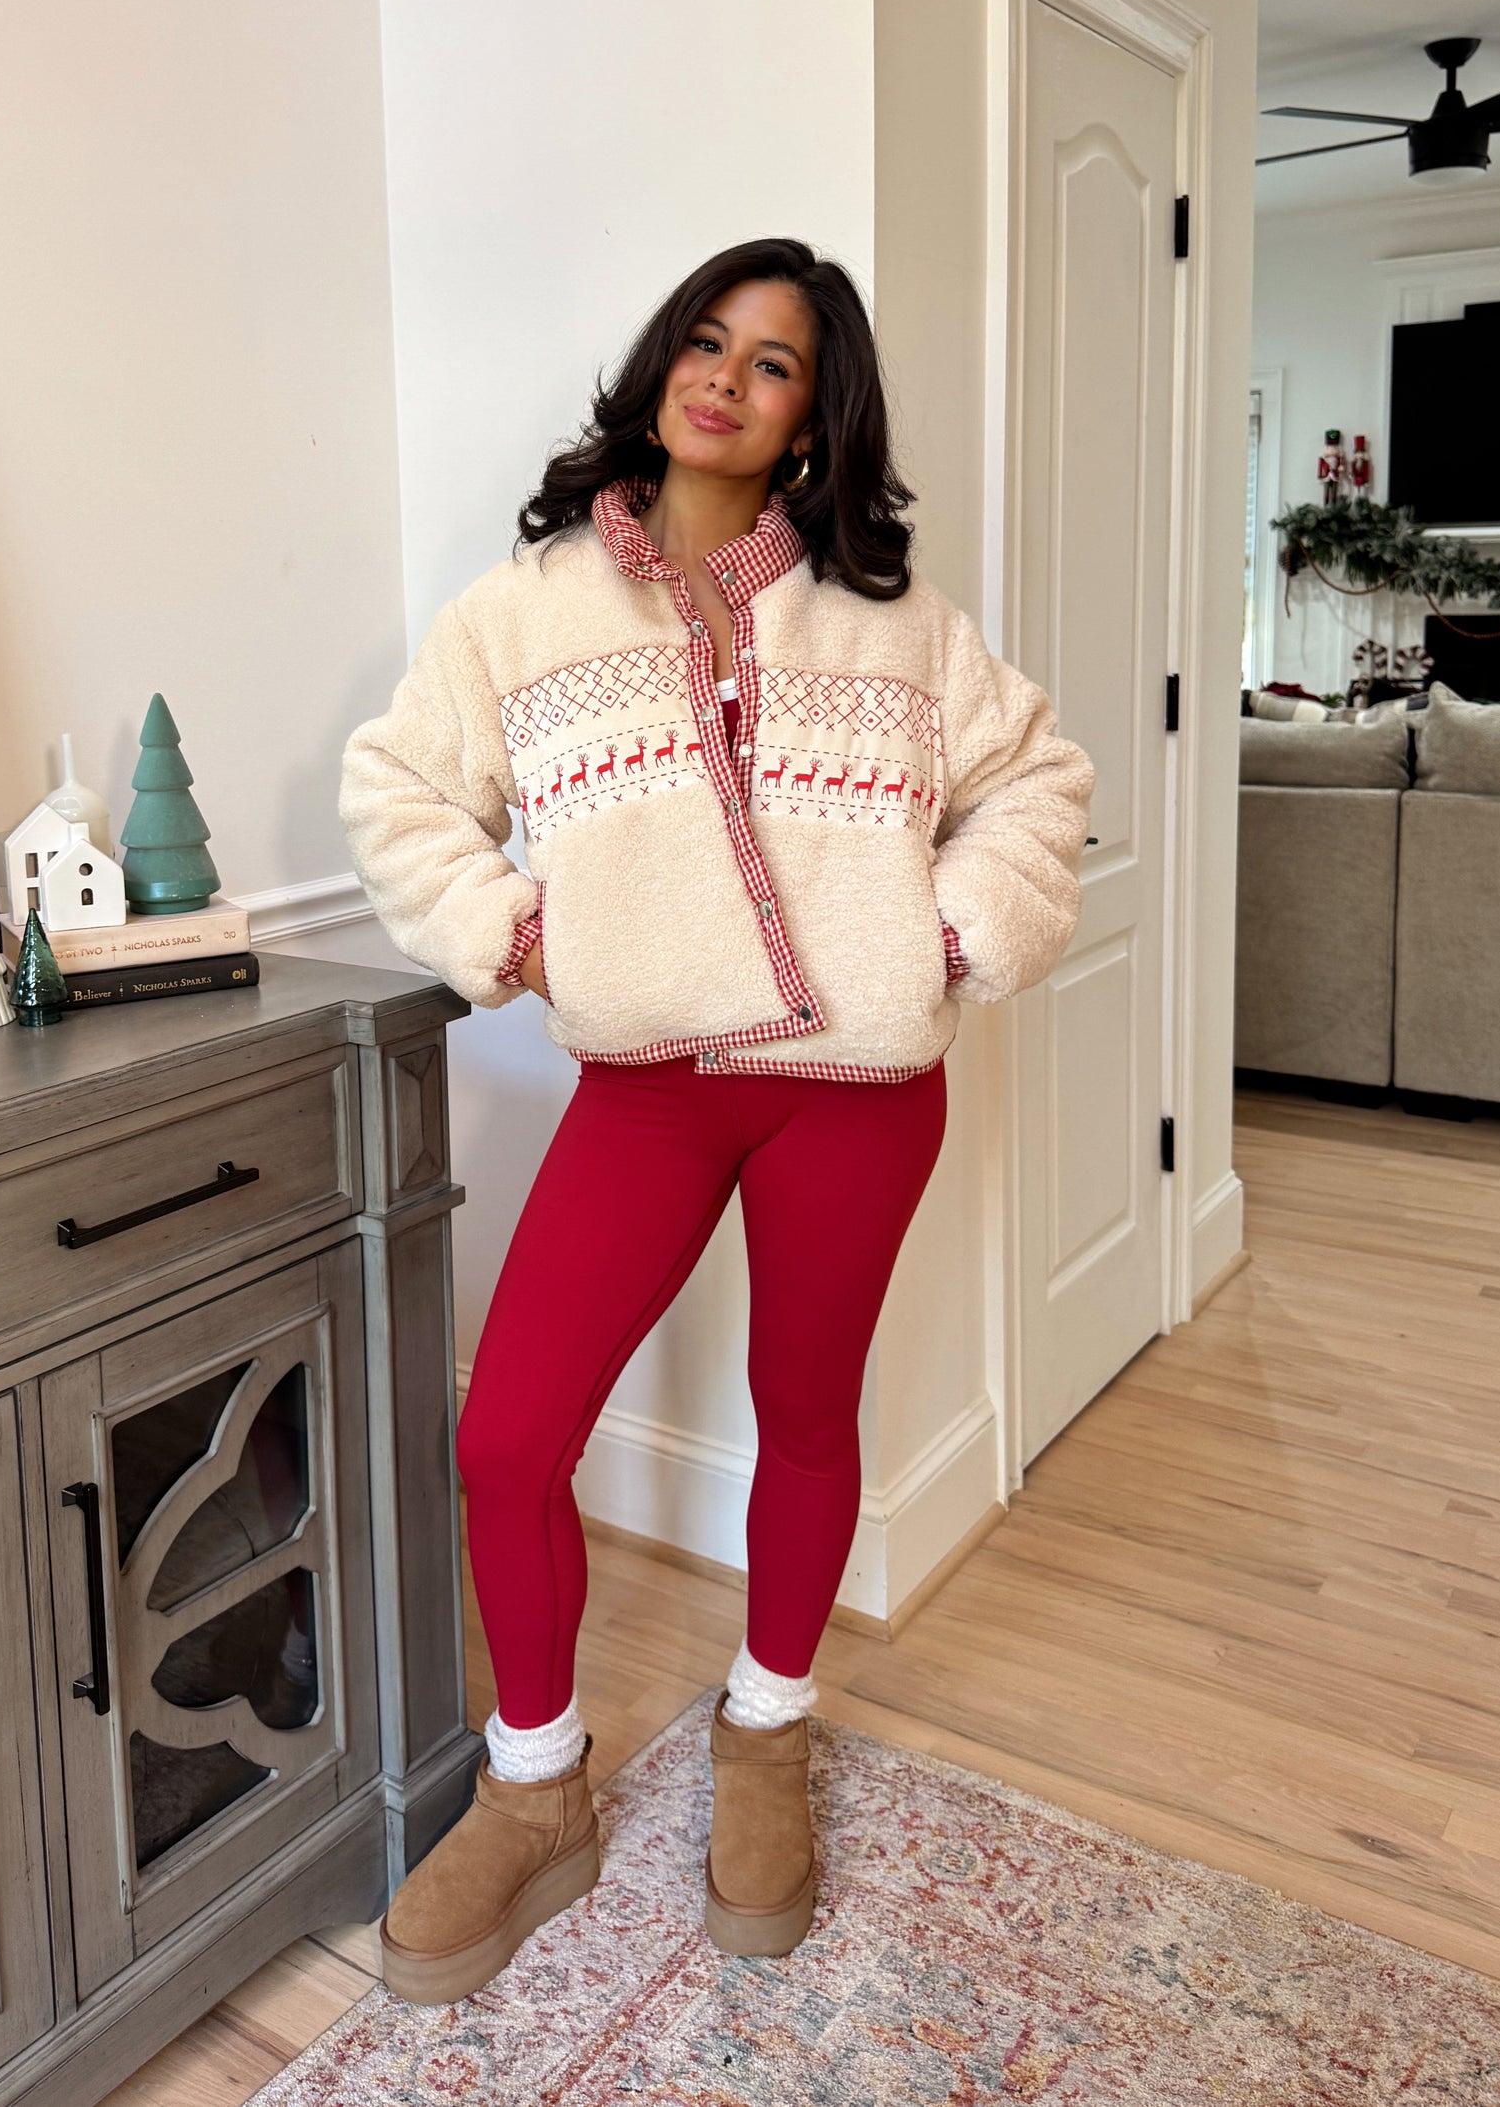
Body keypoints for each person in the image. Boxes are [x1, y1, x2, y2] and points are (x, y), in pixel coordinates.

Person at [341, 237, 1093, 2005]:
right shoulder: (522, 611)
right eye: (705, 341)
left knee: (803, 1411)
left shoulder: (898, 621)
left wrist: (949, 933)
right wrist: (522, 935)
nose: (725, 379)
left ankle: (766, 1730)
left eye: (771, 363)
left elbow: (1034, 782)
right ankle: (536, 1787)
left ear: (811, 420)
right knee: (509, 1435)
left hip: (857, 1094)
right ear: (660, 366)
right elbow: (399, 787)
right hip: (650, 1091)